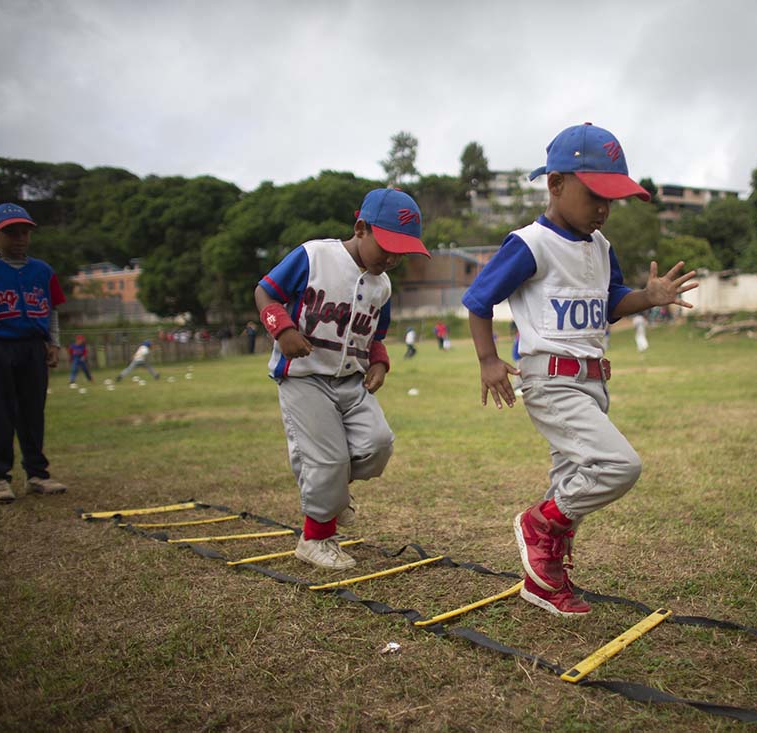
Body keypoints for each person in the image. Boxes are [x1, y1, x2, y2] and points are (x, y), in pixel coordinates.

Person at [462, 124, 698, 617]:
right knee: (617, 466)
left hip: (593, 381)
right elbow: (479, 299)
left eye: (613, 199)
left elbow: (611, 303)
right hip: (550, 379)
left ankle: (543, 581)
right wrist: (488, 361)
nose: (604, 208)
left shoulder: (601, 246)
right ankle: (538, 526)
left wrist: (647, 298)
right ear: (556, 184)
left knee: (571, 479)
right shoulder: (530, 244)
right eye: (596, 195)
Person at [254, 188, 430, 570]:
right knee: (327, 460)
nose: (393, 257)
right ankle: (314, 539)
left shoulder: (382, 285)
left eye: (403, 251)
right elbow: (266, 293)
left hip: (350, 380)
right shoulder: (315, 256)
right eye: (387, 245)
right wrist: (282, 330)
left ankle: (331, 493)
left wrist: (380, 364)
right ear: (361, 228)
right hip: (303, 376)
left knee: (378, 445)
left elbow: (376, 336)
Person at [0, 203, 69, 503]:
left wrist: (53, 343)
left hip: (32, 347)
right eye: (11, 233)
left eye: (24, 233)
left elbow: (53, 312)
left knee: (32, 412)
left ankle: (37, 475)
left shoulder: (42, 271)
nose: (19, 239)